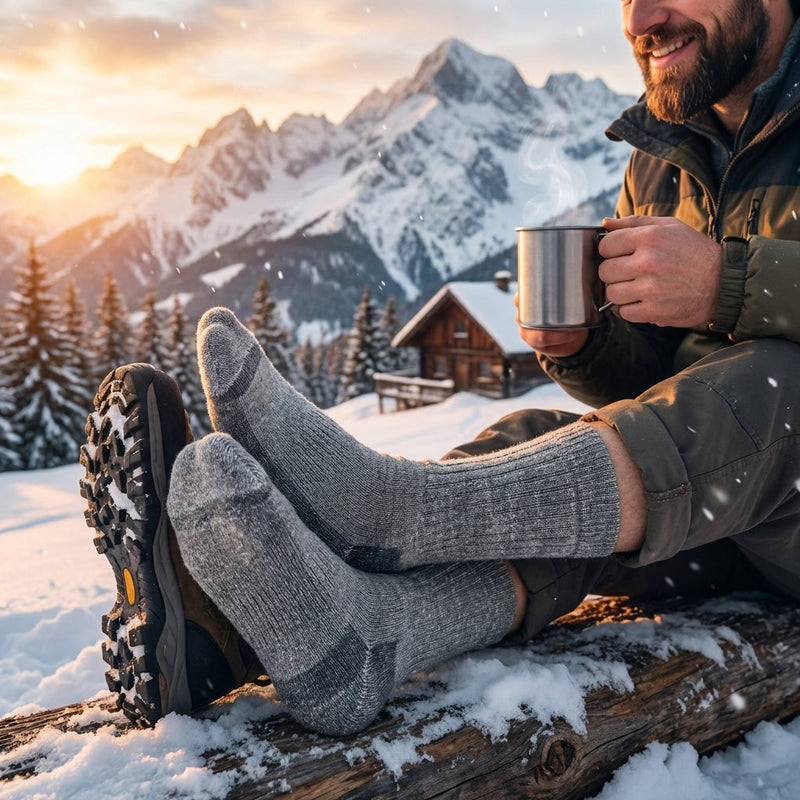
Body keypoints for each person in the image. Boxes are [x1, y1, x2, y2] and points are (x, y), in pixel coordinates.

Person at [81, 0, 800, 736]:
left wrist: (728, 282)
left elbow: (733, 392)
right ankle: (304, 634)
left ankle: (390, 506)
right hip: (731, 513)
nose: (642, 15)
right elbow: (657, 405)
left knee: (776, 390)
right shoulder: (666, 147)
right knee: (537, 451)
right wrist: (581, 347)